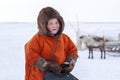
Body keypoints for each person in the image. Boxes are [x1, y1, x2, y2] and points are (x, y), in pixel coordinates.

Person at [24, 6, 78, 80]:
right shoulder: (37, 39)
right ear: (43, 25)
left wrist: (68, 63)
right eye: (51, 23)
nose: (54, 26)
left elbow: (72, 51)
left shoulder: (64, 38)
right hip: (39, 75)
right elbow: (30, 54)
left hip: (58, 72)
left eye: (56, 22)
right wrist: (48, 65)